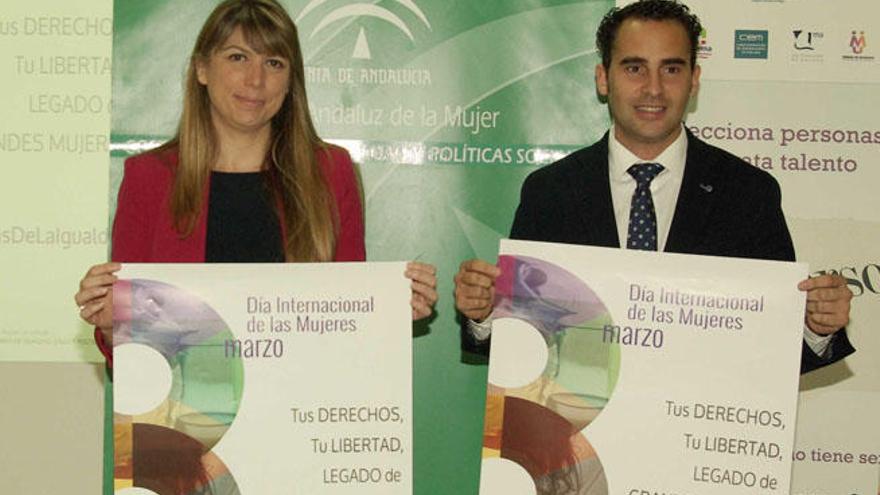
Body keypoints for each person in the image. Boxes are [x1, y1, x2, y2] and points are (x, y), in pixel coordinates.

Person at [453, 0, 854, 375]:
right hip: (579, 442)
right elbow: (523, 350)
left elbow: (773, 355)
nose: (653, 89)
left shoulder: (748, 194)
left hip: (703, 441)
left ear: (694, 79)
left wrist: (816, 328)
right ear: (603, 79)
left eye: (672, 69)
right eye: (634, 68)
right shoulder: (551, 193)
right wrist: (486, 315)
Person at [74, 0, 438, 363]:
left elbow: (348, 327)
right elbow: (130, 359)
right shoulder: (149, 177)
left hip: (304, 408)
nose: (256, 79)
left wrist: (387, 312)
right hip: (187, 413)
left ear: (289, 81)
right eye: (237, 57)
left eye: (274, 63)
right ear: (201, 68)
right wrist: (111, 325)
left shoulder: (330, 171)